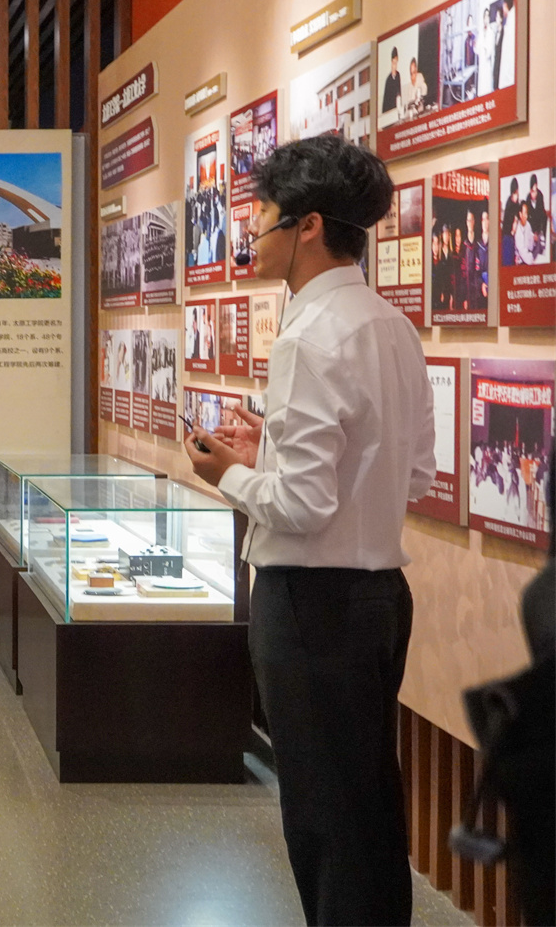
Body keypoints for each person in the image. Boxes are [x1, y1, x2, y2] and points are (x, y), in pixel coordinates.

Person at [185, 134, 433, 926]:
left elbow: (300, 506)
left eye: (261, 218)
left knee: (326, 823)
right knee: (369, 807)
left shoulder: (309, 335)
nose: (251, 237)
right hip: (381, 598)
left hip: (310, 607)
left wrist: (229, 475)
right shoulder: (391, 326)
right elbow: (415, 475)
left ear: (310, 226)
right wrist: (274, 451)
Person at [380, 47, 402, 114]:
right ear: (391, 62)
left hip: (397, 108)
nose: (395, 65)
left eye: (396, 62)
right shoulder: (388, 80)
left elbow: (399, 93)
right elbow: (386, 100)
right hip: (389, 110)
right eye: (394, 63)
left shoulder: (398, 75)